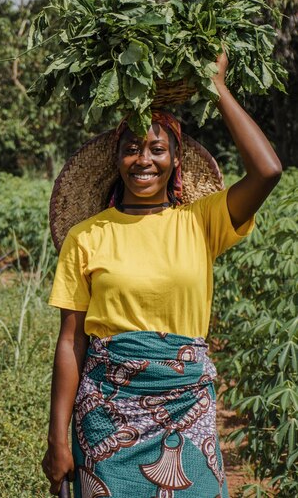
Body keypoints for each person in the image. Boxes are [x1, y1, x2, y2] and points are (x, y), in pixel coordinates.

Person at [42, 52, 282, 497]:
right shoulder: (87, 236)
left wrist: (218, 87)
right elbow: (71, 340)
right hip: (107, 416)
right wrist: (57, 437)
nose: (143, 160)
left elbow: (267, 171)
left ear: (175, 159)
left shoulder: (201, 221)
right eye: (131, 148)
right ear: (116, 160)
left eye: (156, 148)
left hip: (187, 407)